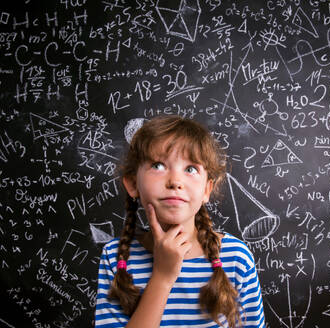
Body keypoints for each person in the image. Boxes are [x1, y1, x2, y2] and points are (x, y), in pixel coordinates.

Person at [95, 115, 266, 327]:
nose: (175, 181)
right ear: (132, 184)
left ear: (206, 190)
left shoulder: (235, 258)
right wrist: (162, 276)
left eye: (191, 169)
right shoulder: (115, 257)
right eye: (158, 165)